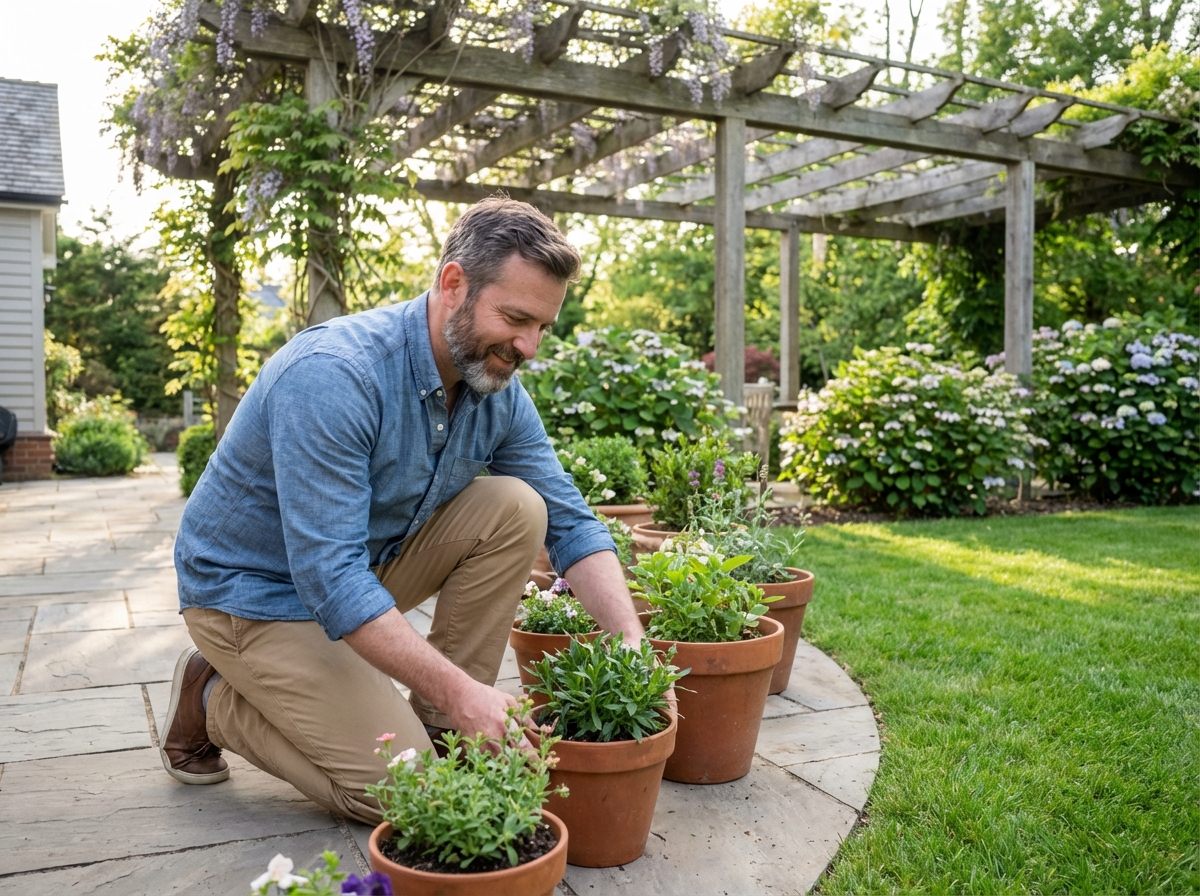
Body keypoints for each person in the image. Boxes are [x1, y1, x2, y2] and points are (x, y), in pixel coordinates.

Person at [161, 197, 645, 824]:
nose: (529, 346)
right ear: (453, 284)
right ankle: (214, 699)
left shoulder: (495, 385)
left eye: (542, 327)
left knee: (518, 506)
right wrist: (464, 685)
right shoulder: (335, 376)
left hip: (361, 567)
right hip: (252, 594)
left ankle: (448, 725)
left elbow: (570, 519)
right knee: (408, 798)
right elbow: (331, 580)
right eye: (516, 318)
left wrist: (629, 639)